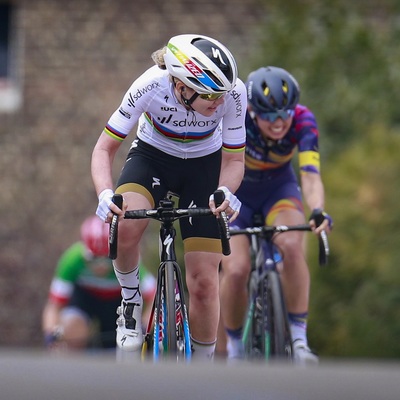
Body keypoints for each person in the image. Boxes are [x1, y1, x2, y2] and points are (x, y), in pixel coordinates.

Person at [91, 34, 246, 360]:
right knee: (125, 225)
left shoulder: (234, 93)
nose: (220, 102)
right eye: (211, 95)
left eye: (223, 94)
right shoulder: (149, 86)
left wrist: (226, 191)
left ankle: (202, 367)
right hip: (153, 156)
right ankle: (131, 299)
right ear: (182, 86)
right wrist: (106, 194)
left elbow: (234, 160)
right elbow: (104, 148)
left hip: (205, 164)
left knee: (204, 282)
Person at [218, 66, 333, 364]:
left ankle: (298, 339)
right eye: (269, 116)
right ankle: (234, 347)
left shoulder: (304, 121)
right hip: (237, 194)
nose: (279, 122)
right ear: (253, 112)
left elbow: (310, 174)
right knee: (236, 269)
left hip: (278, 191)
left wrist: (318, 210)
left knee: (293, 246)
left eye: (285, 113)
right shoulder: (237, 115)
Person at [42, 215, 156, 351]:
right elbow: (54, 306)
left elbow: (154, 298)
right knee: (72, 327)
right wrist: (51, 335)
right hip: (84, 301)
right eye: (94, 258)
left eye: (107, 258)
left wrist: (144, 327)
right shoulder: (72, 260)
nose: (101, 265)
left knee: (127, 343)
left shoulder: (127, 259)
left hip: (117, 304)